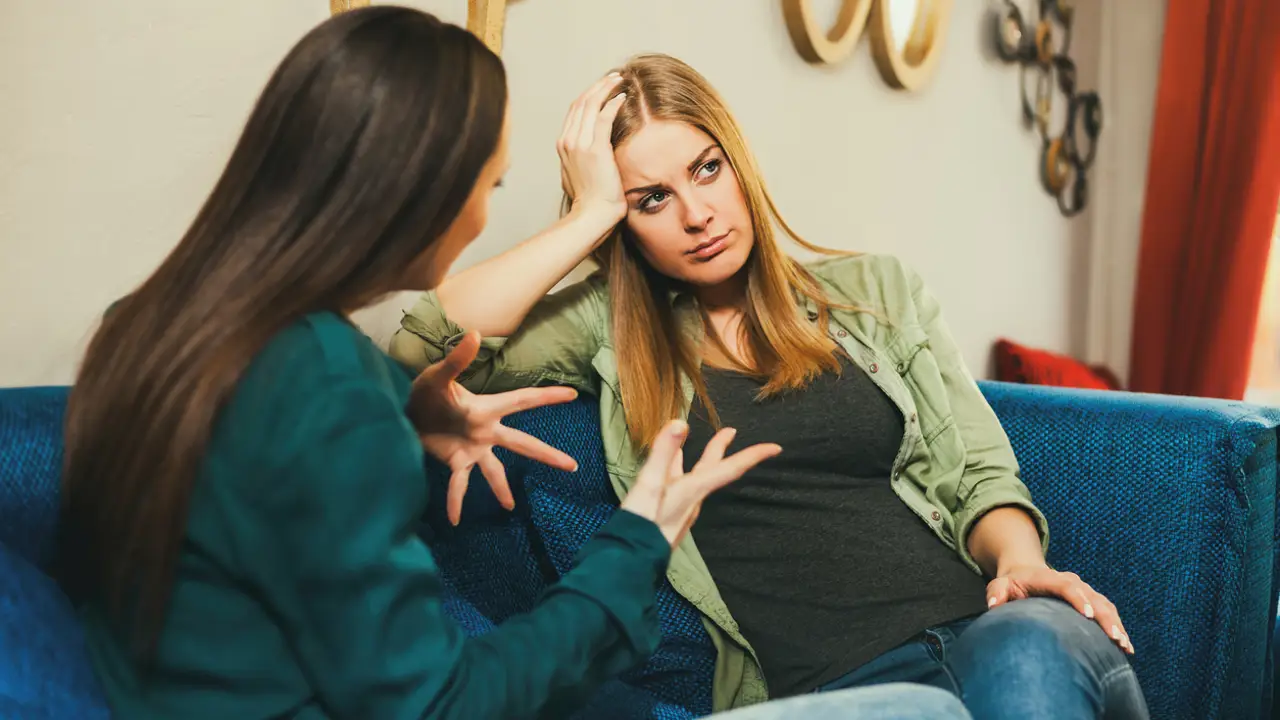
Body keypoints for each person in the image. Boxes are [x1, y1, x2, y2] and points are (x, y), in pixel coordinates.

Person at [54, 9, 971, 720]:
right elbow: (441, 704)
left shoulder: (146, 334)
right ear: (420, 192)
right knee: (917, 711)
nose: (485, 218)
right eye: (489, 187)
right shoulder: (325, 386)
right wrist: (639, 539)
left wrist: (408, 417)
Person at [390, 54, 1152, 719]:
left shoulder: (875, 290)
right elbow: (422, 337)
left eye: (706, 168)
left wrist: (1019, 563)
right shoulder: (612, 333)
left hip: (997, 637)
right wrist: (590, 212)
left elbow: (982, 475)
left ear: (738, 162)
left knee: (1020, 659)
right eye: (651, 199)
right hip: (844, 696)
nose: (697, 213)